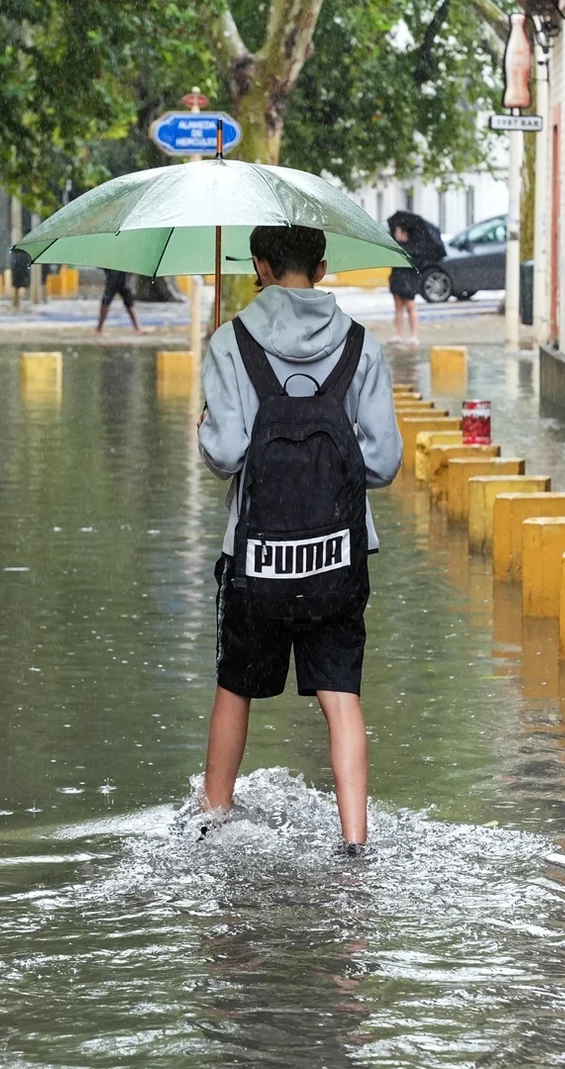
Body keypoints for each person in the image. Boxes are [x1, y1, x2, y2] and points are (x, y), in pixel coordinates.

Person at [196, 224, 403, 851]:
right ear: (321, 267)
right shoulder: (362, 346)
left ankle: (211, 822)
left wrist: (206, 427)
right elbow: (383, 463)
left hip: (255, 556)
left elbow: (228, 454)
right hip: (338, 558)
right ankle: (355, 843)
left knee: (236, 686)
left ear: (260, 265)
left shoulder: (230, 342)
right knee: (341, 695)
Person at [387, 223, 421, 347]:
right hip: (396, 279)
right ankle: (398, 334)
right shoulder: (396, 246)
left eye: (398, 231)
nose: (396, 234)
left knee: (410, 306)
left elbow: (415, 264)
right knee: (398, 307)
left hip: (408, 281)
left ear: (404, 233)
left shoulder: (414, 247)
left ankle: (414, 335)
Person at [95, 268, 144, 335]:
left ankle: (137, 327)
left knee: (128, 302)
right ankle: (99, 328)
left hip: (120, 278)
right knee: (107, 300)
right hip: (116, 277)